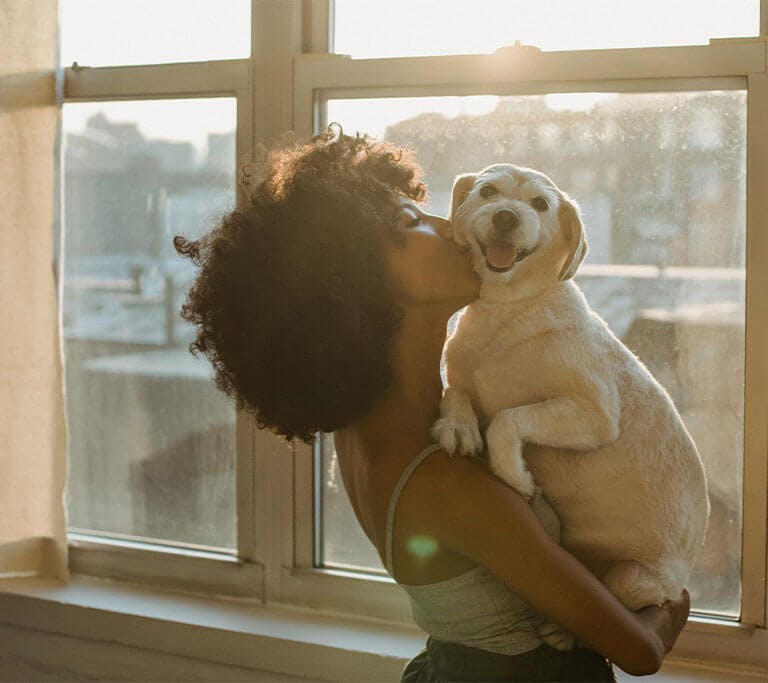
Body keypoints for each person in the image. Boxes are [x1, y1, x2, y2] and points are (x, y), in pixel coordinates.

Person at [175, 128, 690, 682]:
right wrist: (671, 604)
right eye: (412, 223)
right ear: (353, 282)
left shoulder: (373, 429)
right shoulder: (449, 486)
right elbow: (639, 652)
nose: (447, 225)